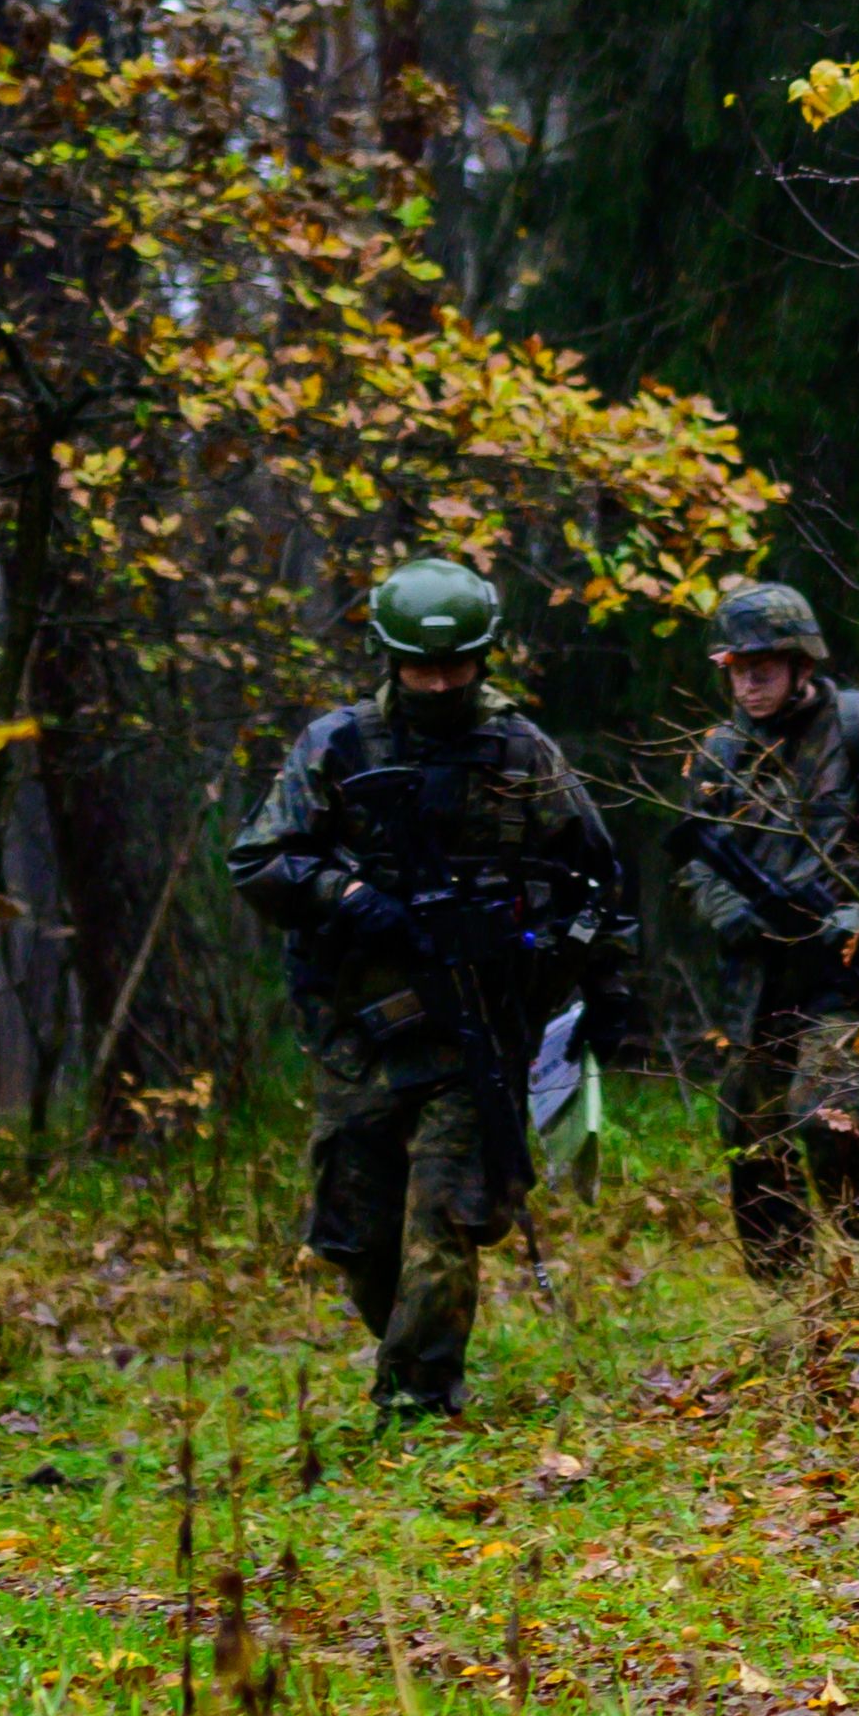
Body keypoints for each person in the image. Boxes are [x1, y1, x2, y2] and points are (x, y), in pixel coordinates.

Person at [229, 557, 640, 1419]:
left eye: (458, 666)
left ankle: (417, 1401)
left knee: (445, 1220)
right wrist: (352, 900)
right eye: (424, 667)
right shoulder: (335, 747)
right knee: (357, 1235)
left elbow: (598, 879)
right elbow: (259, 859)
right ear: (390, 659)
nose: (442, 683)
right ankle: (409, 1351)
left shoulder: (522, 752)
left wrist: (608, 995)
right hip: (359, 1032)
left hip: (477, 1029)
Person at [676, 582, 859, 1278]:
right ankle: (794, 1309)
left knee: (830, 1117)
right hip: (758, 989)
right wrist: (725, 910)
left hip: (855, 989)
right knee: (749, 1143)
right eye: (737, 670)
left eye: (764, 668)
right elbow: (693, 859)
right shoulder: (720, 753)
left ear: (802, 664)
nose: (749, 684)